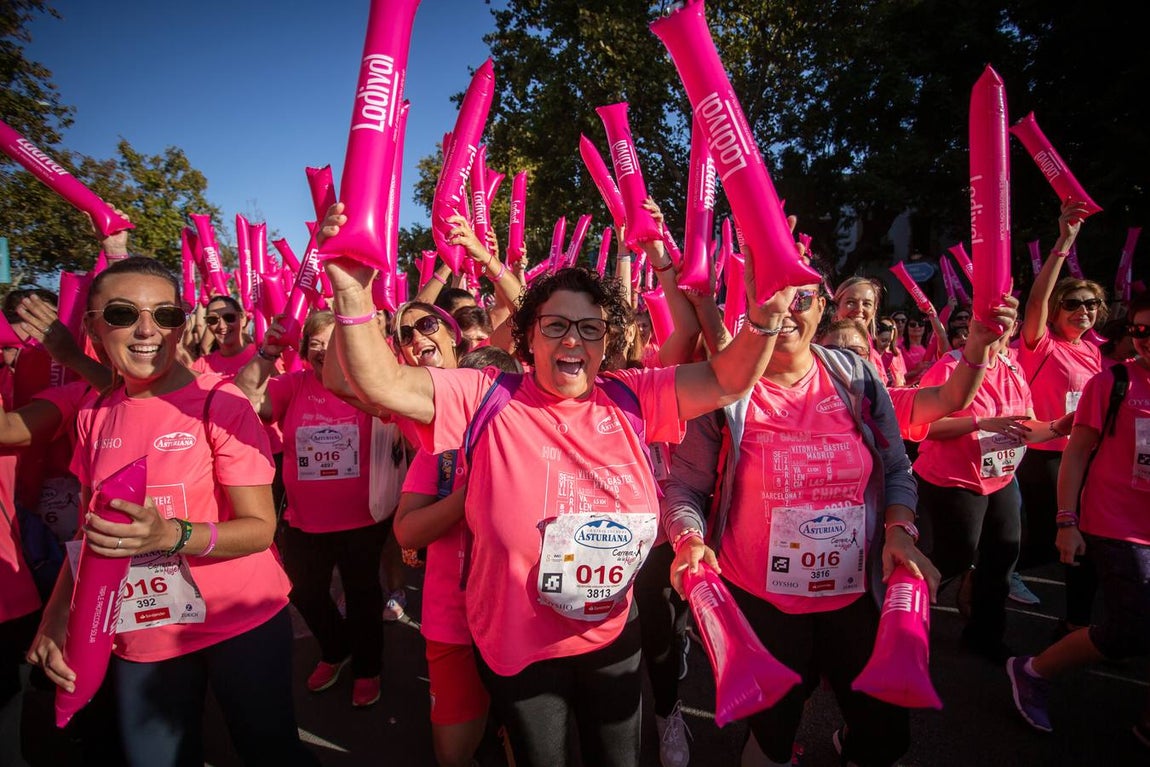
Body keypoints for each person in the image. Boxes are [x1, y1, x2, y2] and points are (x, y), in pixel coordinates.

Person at [320, 195, 801, 767]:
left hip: (611, 639)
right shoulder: (484, 397)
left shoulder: (632, 395)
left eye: (590, 329)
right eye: (556, 326)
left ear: (606, 343)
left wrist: (766, 313)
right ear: (527, 338)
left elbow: (726, 380)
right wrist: (351, 294)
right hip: (520, 652)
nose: (573, 340)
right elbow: (381, 385)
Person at [24, 257, 315, 766]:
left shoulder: (221, 403)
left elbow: (260, 528)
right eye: (121, 313)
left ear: (183, 323)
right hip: (144, 629)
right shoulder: (94, 413)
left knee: (271, 753)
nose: (146, 330)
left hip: (239, 622)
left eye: (165, 314)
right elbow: (88, 531)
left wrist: (169, 533)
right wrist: (55, 619)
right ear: (93, 326)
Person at [663, 274, 940, 767]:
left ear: (823, 310)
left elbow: (897, 468)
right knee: (772, 736)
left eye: (803, 297)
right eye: (772, 295)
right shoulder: (723, 388)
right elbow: (684, 487)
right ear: (749, 309)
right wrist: (688, 539)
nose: (788, 309)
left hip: (855, 596)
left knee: (885, 734)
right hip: (763, 602)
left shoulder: (856, 377)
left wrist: (900, 531)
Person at [1006, 291, 1150, 744]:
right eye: (1139, 331)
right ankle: (1034, 669)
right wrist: (1067, 522)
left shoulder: (1093, 352)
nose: (1144, 340)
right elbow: (1078, 453)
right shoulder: (1114, 382)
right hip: (1112, 518)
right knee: (1130, 623)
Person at [235, 309, 388, 708]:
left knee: (363, 598)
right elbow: (246, 399)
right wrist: (267, 351)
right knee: (304, 593)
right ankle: (337, 649)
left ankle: (368, 668)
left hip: (363, 519)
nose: (323, 351)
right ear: (303, 351)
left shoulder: (370, 386)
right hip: (305, 521)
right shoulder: (293, 386)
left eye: (334, 341)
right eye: (315, 343)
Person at [912, 302, 1068, 664]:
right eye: (991, 323)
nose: (1000, 330)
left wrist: (1061, 427)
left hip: (1000, 479)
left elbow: (1026, 425)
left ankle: (984, 635)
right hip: (952, 480)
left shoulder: (1013, 367)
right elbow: (922, 427)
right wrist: (979, 423)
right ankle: (901, 614)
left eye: (1007, 324)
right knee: (954, 557)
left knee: (1003, 555)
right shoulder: (950, 366)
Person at [393, 345, 522, 767]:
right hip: (454, 621)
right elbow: (407, 530)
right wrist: (469, 496)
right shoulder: (440, 454)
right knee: (453, 754)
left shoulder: (535, 450)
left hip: (522, 624)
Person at [1015, 201, 1105, 623]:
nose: (1082, 311)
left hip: (1084, 457)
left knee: (1080, 540)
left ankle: (1075, 622)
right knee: (1042, 542)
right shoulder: (1041, 345)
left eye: (1089, 304)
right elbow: (1035, 302)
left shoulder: (1094, 351)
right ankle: (992, 574)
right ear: (1057, 310)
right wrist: (1063, 243)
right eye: (1072, 304)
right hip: (1043, 455)